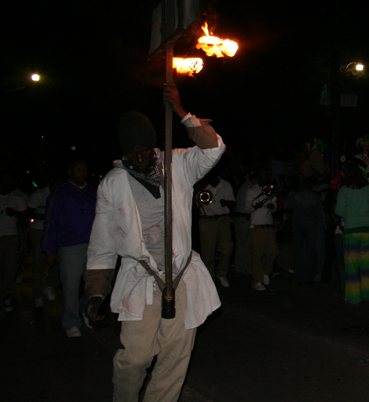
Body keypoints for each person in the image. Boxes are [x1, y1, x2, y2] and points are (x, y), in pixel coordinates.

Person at [84, 84, 224, 402]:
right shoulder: (113, 184)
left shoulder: (178, 165)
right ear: (124, 153)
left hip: (181, 275)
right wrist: (95, 290)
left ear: (153, 145)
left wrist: (181, 112)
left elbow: (214, 148)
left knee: (175, 358)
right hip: (141, 279)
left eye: (146, 149)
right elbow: (102, 243)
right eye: (134, 153)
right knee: (134, 358)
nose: (142, 157)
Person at [42, 160, 97, 337]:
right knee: (71, 287)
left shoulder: (93, 192)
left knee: (92, 285)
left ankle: (86, 311)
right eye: (78, 169)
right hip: (70, 247)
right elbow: (50, 223)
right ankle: (71, 322)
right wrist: (50, 250)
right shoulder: (60, 195)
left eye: (85, 170)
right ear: (70, 171)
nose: (82, 173)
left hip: (93, 246)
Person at [334, 160, 369, 304]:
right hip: (368, 230)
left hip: (351, 230)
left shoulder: (344, 191)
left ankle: (353, 297)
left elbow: (339, 211)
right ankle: (367, 294)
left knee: (352, 265)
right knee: (367, 265)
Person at [26, 175, 61, 307]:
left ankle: (49, 284)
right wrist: (42, 216)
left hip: (56, 231)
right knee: (38, 262)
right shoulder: (38, 195)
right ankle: (37, 294)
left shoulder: (63, 195)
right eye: (56, 184)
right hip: (39, 230)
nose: (58, 187)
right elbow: (28, 213)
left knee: (57, 260)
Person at [196, 172, 235, 288]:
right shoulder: (202, 185)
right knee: (208, 252)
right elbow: (196, 202)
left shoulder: (226, 185)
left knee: (227, 247)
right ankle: (209, 278)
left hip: (223, 219)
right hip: (206, 220)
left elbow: (233, 203)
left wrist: (226, 203)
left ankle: (222, 273)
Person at [285, 177, 326, 283]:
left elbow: (286, 206)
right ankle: (309, 277)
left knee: (299, 251)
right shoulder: (316, 197)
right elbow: (320, 213)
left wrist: (289, 196)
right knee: (310, 252)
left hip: (298, 225)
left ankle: (299, 276)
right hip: (311, 226)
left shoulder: (296, 195)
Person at [245, 167, 278, 290]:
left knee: (273, 252)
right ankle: (257, 281)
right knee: (257, 254)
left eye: (266, 175)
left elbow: (274, 207)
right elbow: (246, 209)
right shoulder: (251, 191)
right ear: (258, 176)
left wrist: (271, 207)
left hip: (269, 226)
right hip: (256, 226)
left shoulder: (270, 190)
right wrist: (254, 206)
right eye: (262, 175)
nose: (264, 177)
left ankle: (265, 272)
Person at [1, 172, 28, 312]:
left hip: (11, 235)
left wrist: (15, 213)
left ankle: (7, 296)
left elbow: (25, 220)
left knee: (10, 267)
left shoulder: (18, 198)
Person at [232, 170, 255, 274]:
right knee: (245, 244)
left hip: (238, 217)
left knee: (241, 243)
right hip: (244, 217)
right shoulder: (250, 188)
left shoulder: (243, 186)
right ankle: (245, 267)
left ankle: (239, 267)